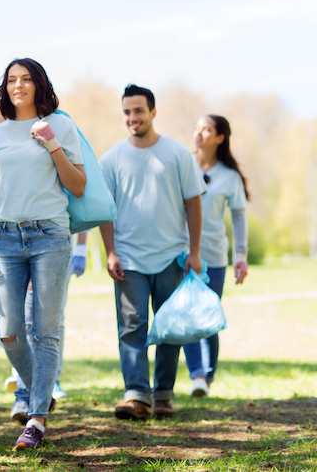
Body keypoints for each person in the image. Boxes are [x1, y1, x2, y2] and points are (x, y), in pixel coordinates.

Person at [0, 58, 87, 449]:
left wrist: (52, 144)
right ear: (5, 87)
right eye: (12, 80)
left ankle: (36, 419)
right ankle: (40, 393)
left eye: (26, 79)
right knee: (9, 332)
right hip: (6, 240)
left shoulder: (61, 126)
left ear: (38, 85)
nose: (18, 86)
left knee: (45, 331)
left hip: (50, 236)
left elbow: (78, 186)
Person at [99, 84, 206, 421]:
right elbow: (105, 210)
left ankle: (162, 395)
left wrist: (195, 251)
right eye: (127, 112)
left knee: (169, 328)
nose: (133, 118)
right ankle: (136, 395)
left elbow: (194, 203)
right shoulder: (112, 158)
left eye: (139, 111)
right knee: (132, 326)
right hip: (128, 260)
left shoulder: (177, 154)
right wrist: (111, 252)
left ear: (153, 112)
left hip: (171, 257)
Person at [184, 114, 250, 398]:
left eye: (207, 129)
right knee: (187, 316)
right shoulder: (183, 164)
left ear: (220, 137)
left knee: (208, 317)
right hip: (181, 254)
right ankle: (196, 375)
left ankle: (208, 376)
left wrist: (241, 256)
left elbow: (238, 217)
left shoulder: (229, 175)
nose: (199, 133)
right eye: (197, 128)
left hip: (215, 256)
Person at [8, 231, 88, 424]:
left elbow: (82, 205)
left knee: (52, 322)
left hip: (58, 242)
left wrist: (82, 247)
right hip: (20, 242)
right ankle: (26, 393)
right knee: (22, 324)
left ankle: (48, 386)